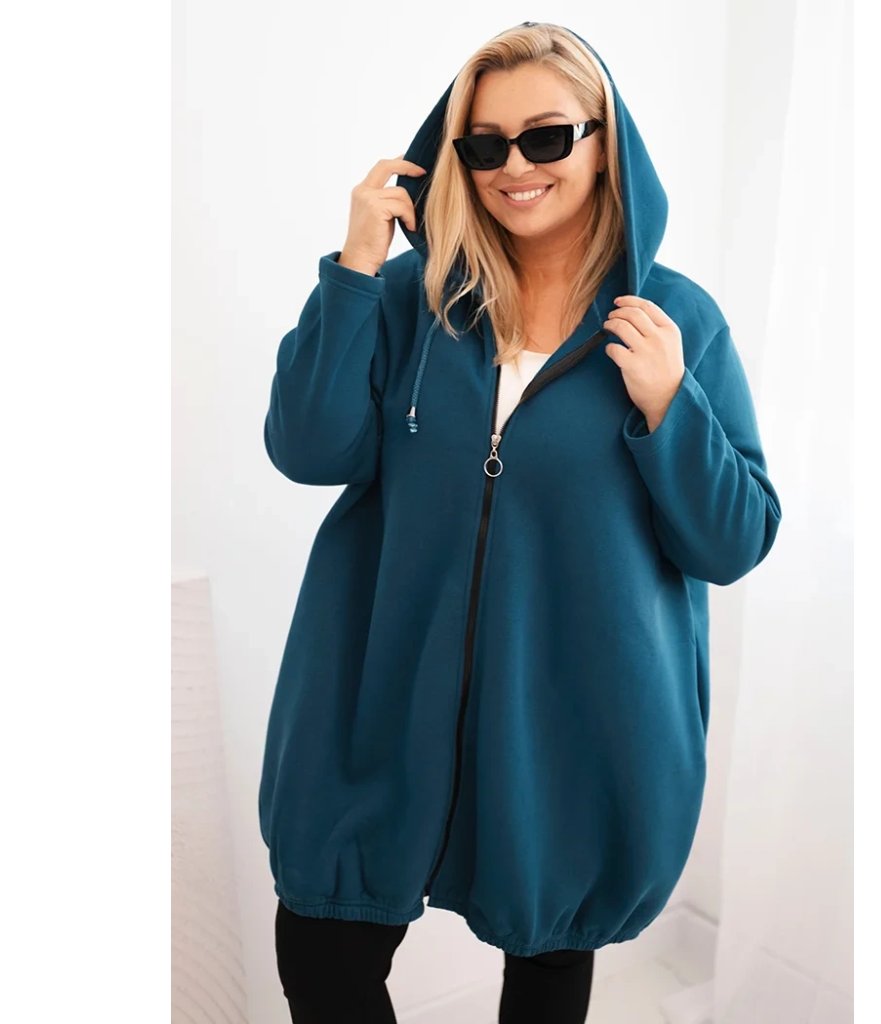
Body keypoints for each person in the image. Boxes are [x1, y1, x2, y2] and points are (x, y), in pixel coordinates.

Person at [259, 20, 782, 1024]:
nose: (514, 167)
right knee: (323, 960)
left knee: (545, 970)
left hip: (575, 725)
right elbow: (309, 448)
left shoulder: (674, 320)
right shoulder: (403, 302)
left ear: (604, 145)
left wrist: (671, 406)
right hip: (377, 703)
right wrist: (355, 268)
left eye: (546, 137)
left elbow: (733, 540)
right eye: (484, 144)